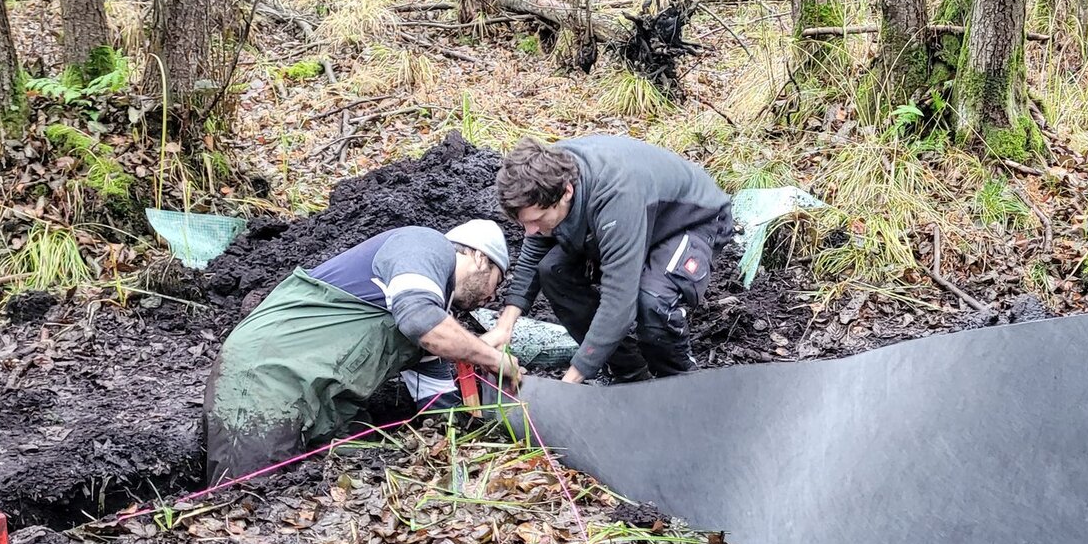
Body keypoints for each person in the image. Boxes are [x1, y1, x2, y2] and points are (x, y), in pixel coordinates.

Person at [204, 220, 522, 481]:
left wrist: (476, 448)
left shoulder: (432, 307)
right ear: (481, 258)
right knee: (247, 497)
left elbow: (438, 403)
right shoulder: (426, 246)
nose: (492, 297)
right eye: (498, 280)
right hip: (267, 376)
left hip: (327, 403)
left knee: (366, 474)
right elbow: (420, 321)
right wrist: (494, 358)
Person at [484, 136, 734, 384]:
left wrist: (570, 382)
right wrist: (505, 326)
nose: (529, 230)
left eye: (537, 219)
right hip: (636, 220)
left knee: (652, 301)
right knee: (553, 270)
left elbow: (619, 303)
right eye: (524, 222)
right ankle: (630, 373)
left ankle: (679, 384)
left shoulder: (615, 195)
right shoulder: (545, 172)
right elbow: (535, 249)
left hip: (691, 222)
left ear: (567, 192)